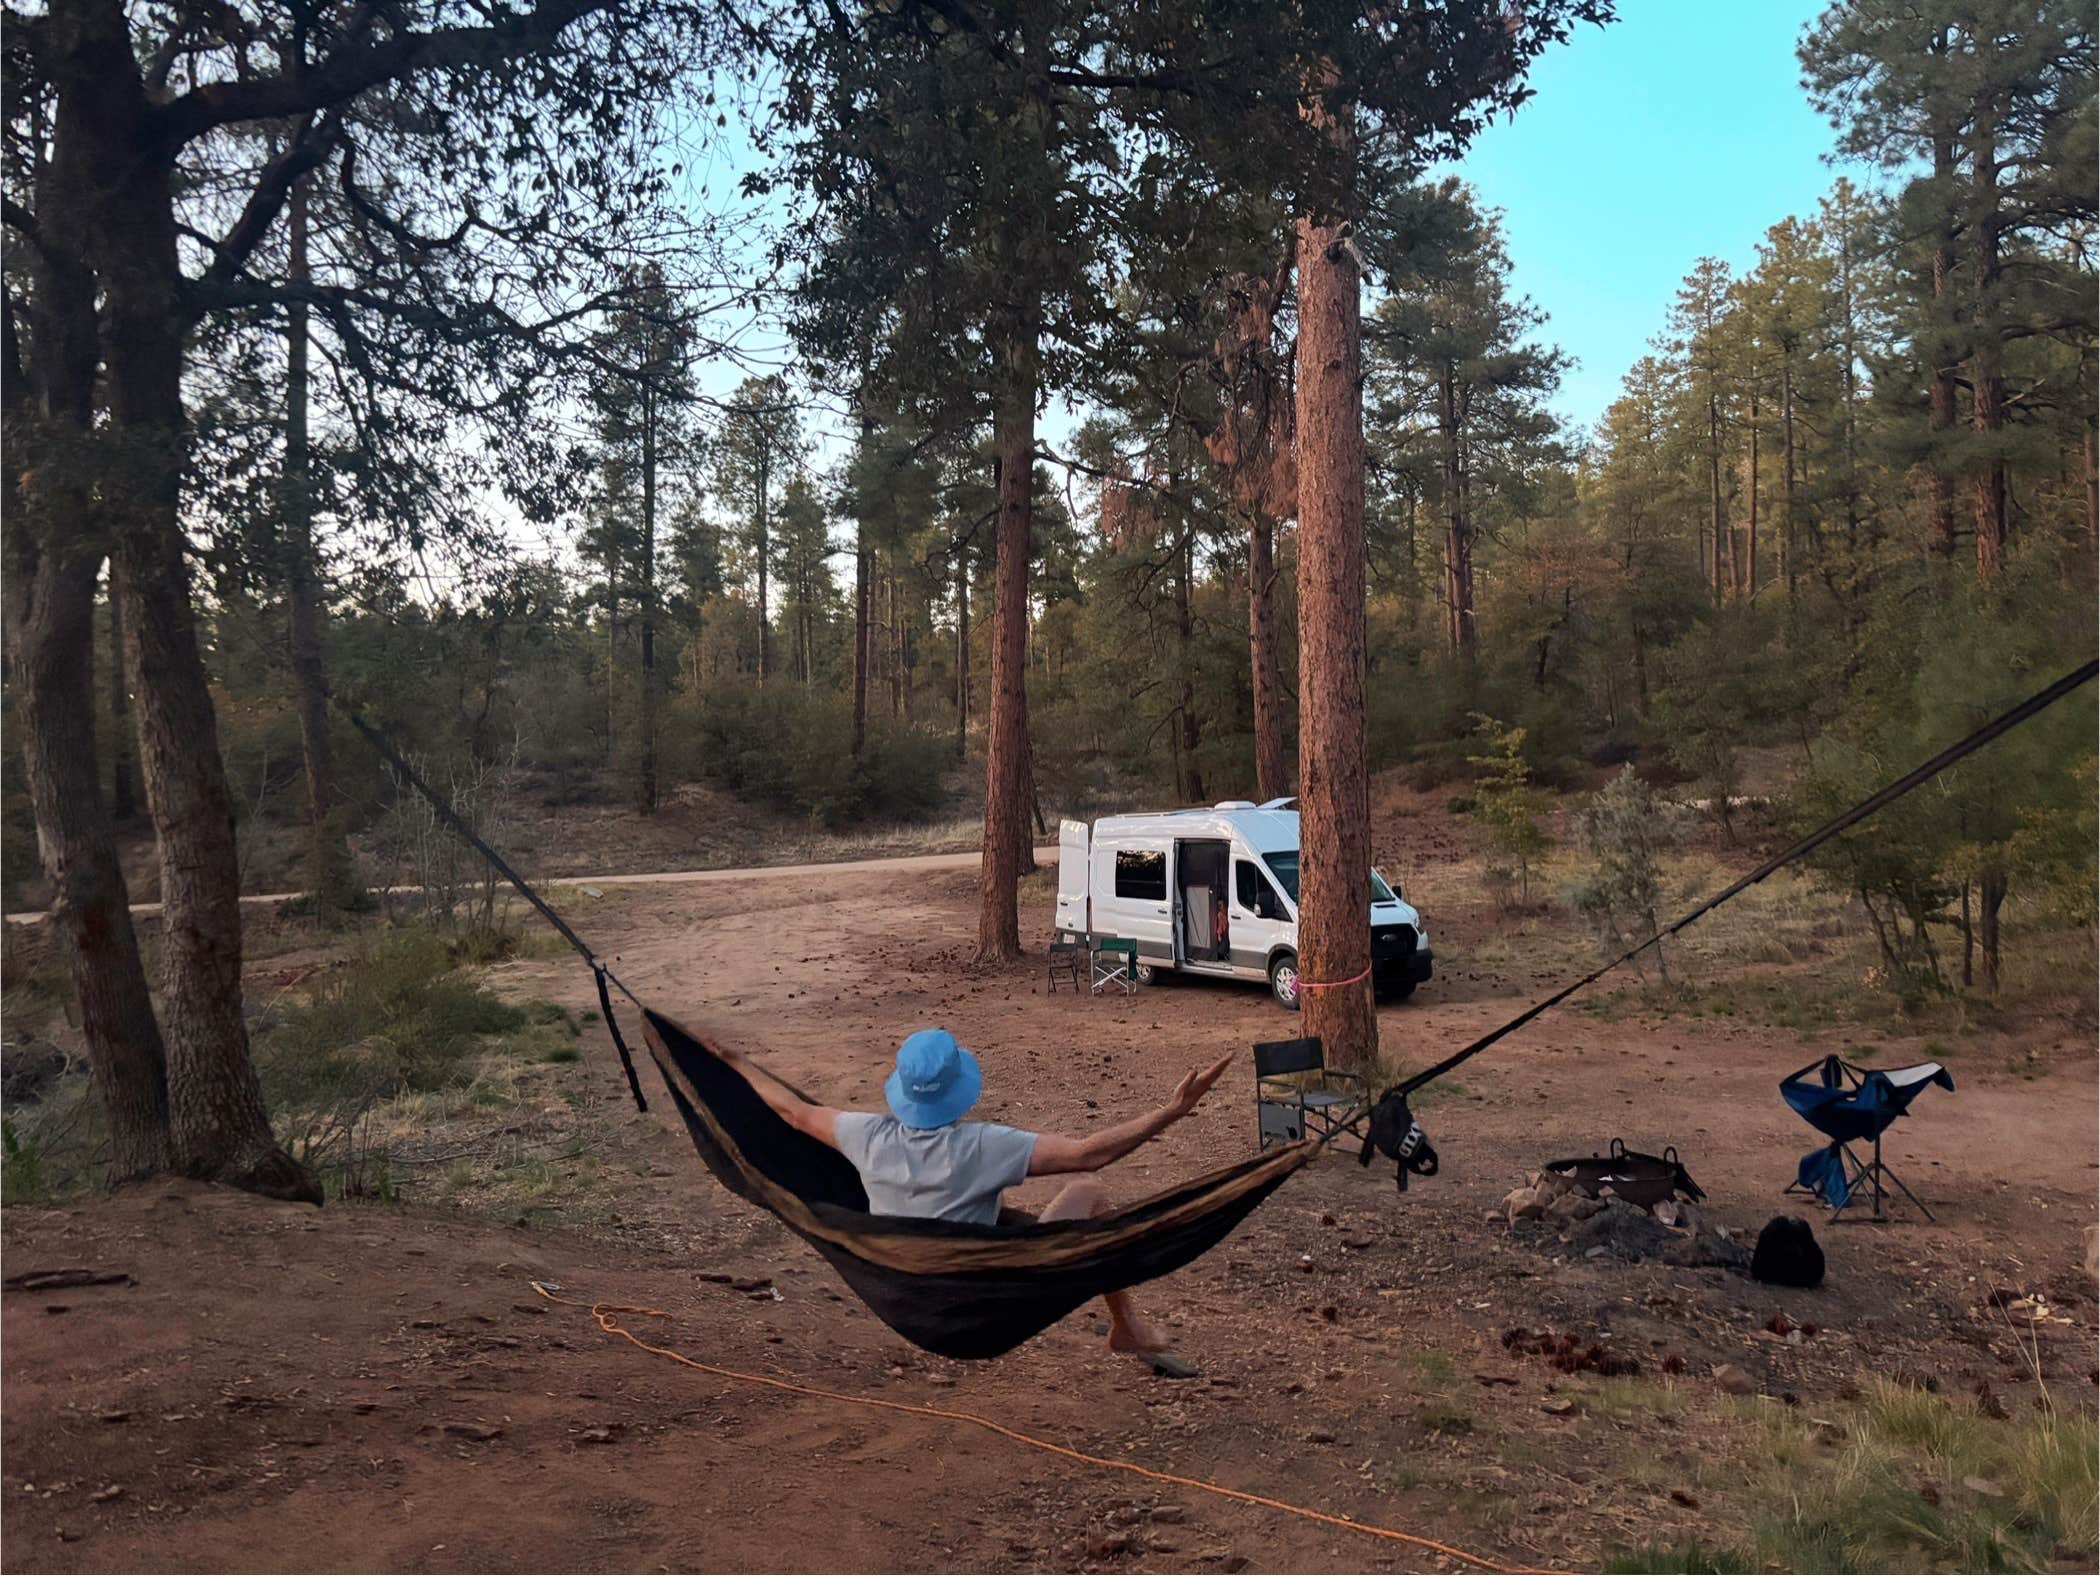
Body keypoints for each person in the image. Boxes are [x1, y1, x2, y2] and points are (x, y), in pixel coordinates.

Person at [719, 1027, 1233, 1369]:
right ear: (959, 1089)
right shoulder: (983, 1146)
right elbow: (1088, 1155)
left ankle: (1127, 1328)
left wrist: (731, 1061)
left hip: (906, 1302)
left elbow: (792, 1111)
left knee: (1016, 1220)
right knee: (1089, 1193)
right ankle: (1127, 1326)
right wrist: (1171, 1111)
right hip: (990, 1309)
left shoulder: (865, 1136)